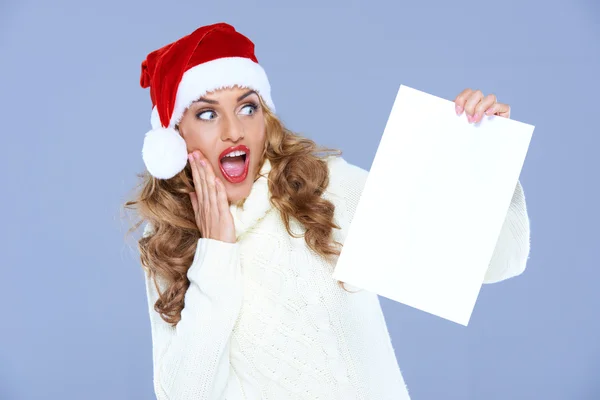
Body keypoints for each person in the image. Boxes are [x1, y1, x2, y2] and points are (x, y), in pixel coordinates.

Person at [125, 22, 530, 400]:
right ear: (176, 136)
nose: (233, 129)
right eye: (208, 113)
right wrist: (216, 252)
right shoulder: (169, 241)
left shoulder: (320, 188)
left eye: (247, 107)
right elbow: (185, 393)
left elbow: (492, 263)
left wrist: (485, 160)